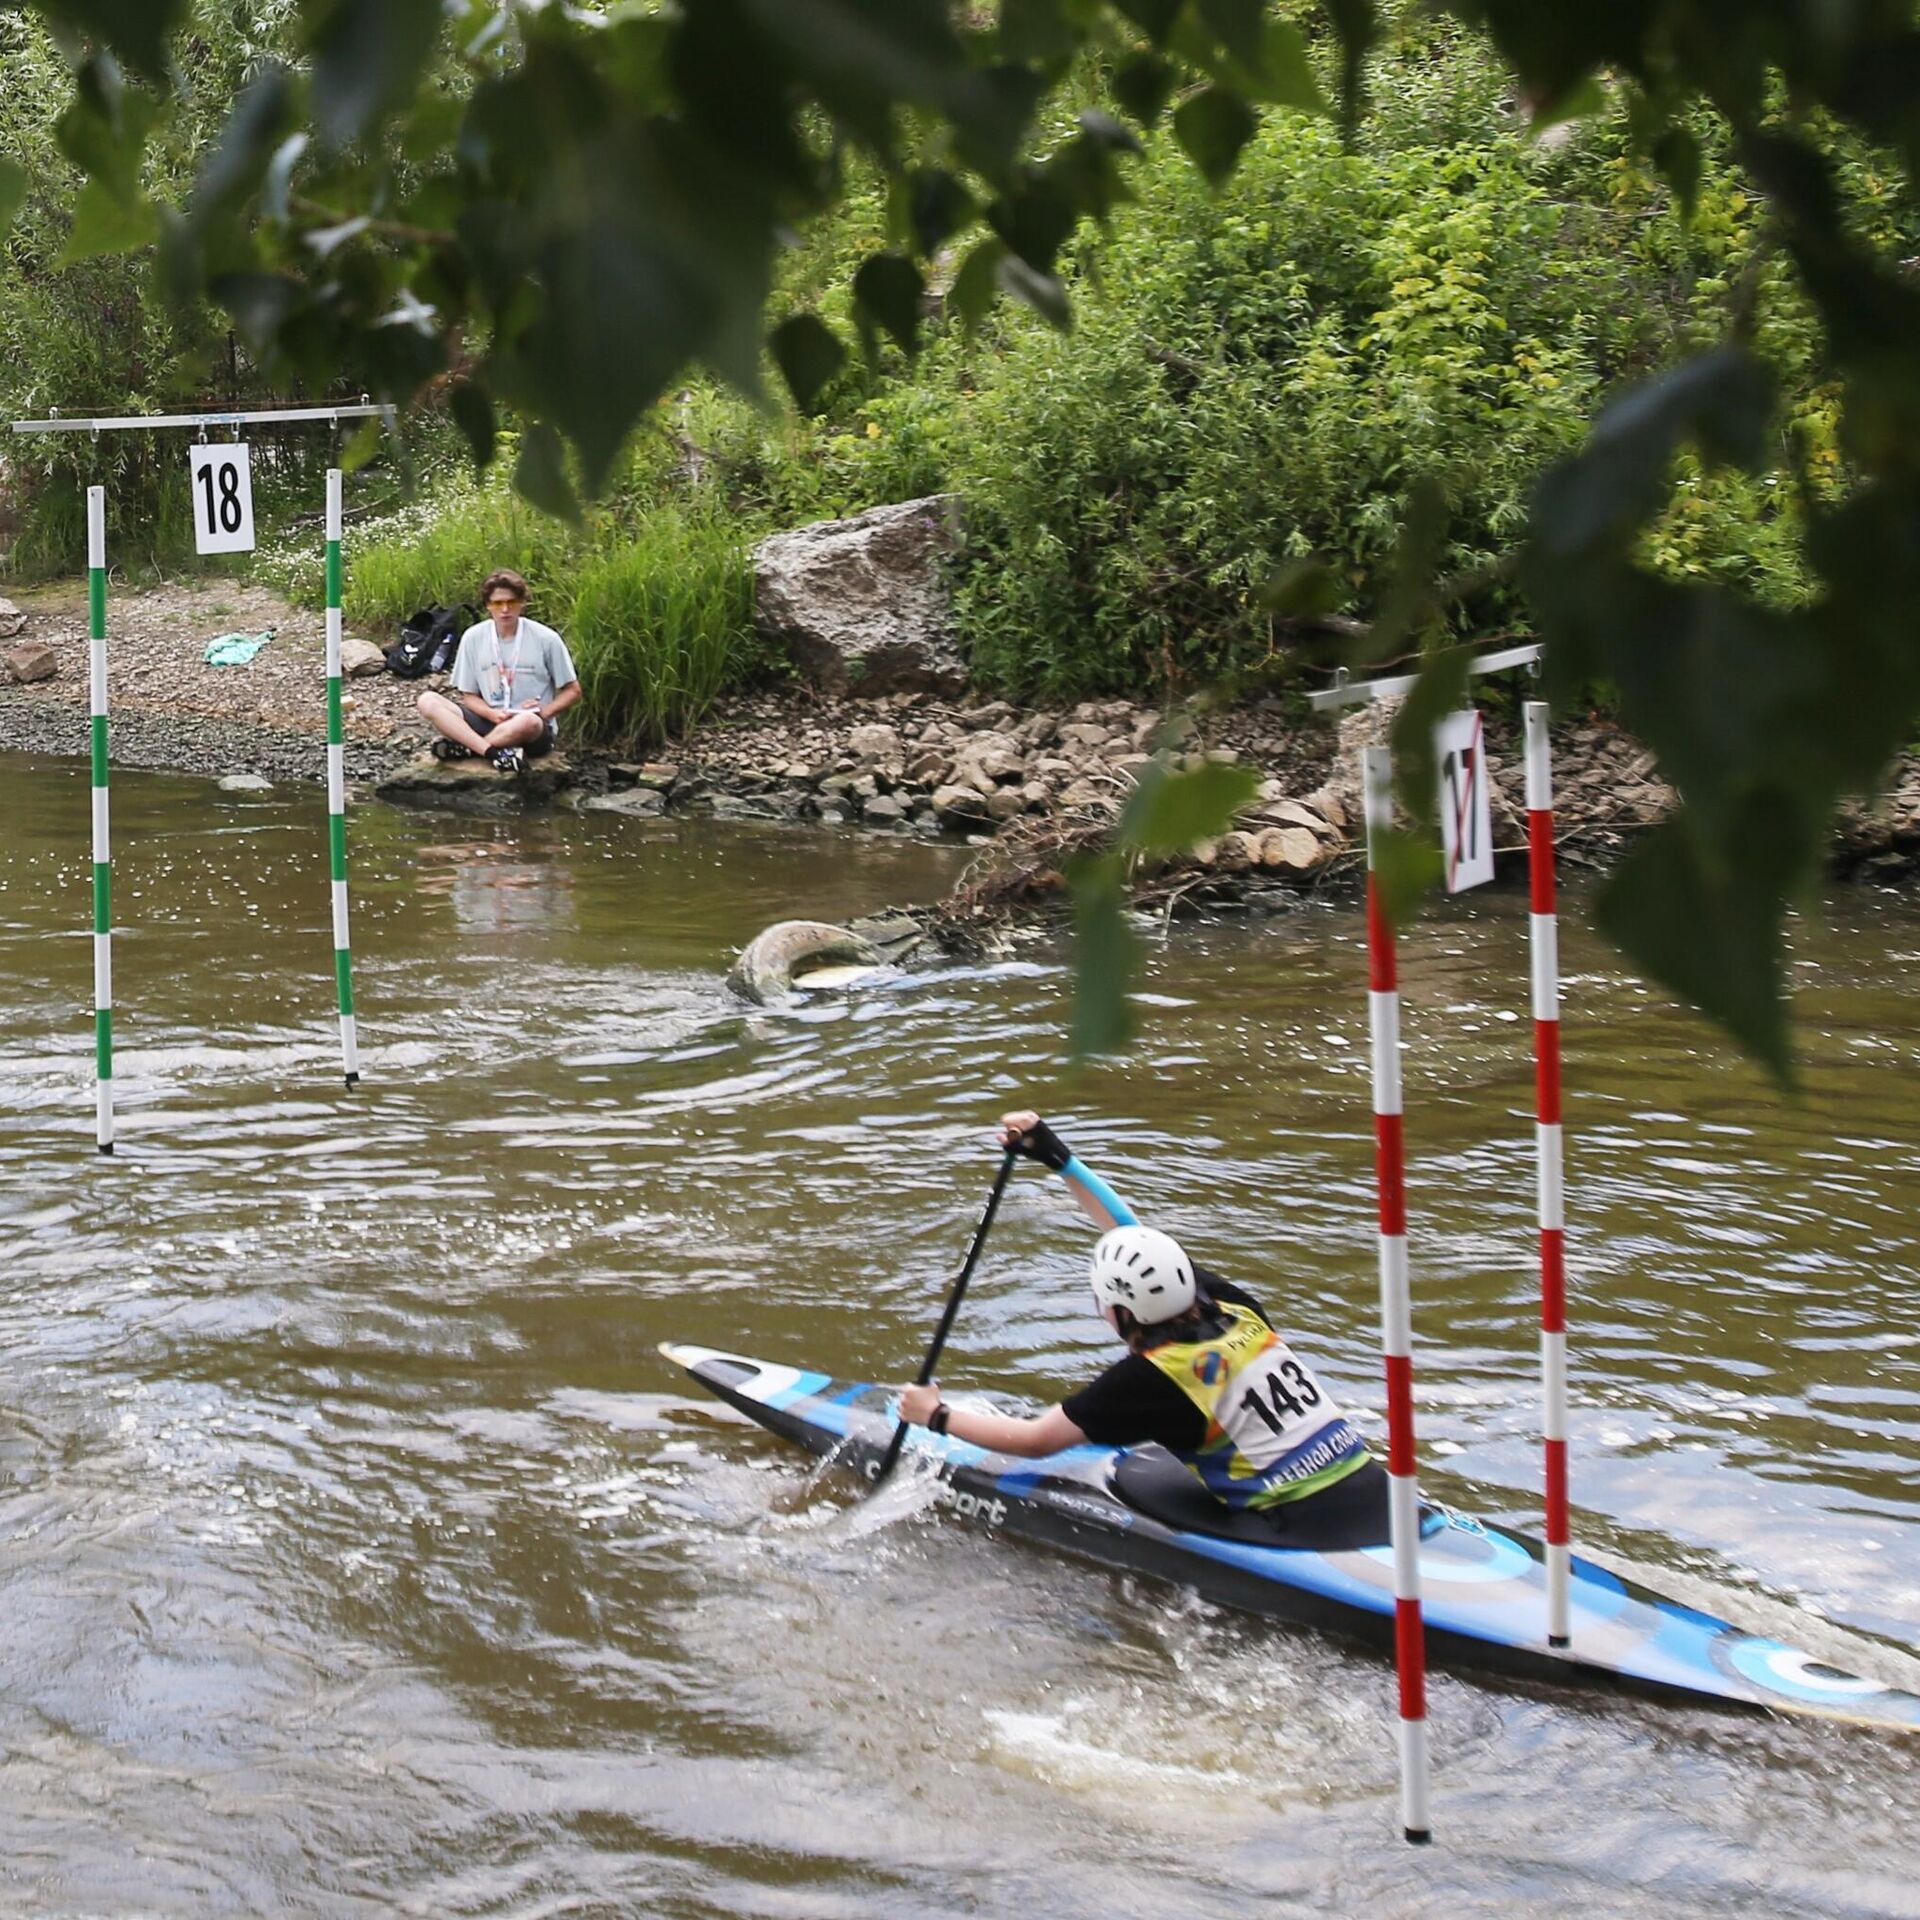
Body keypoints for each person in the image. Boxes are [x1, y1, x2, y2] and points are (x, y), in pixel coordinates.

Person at [898, 1111, 1391, 1548]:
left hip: (1304, 1525)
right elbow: (1132, 1235)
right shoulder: (1235, 1307)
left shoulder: (1151, 1379)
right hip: (1377, 1491)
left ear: (1120, 1312)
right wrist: (1058, 1158)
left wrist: (936, 1414)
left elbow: (1036, 1441)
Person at [416, 568, 582, 774]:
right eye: (497, 603)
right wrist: (491, 714)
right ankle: (493, 753)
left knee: (528, 722)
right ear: (488, 606)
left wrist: (545, 712)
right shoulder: (473, 637)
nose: (505, 609)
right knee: (427, 700)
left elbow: (573, 691)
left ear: (522, 604)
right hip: (490, 718)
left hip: (530, 724)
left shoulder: (546, 638)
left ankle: (468, 749)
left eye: (511, 602)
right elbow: (469, 697)